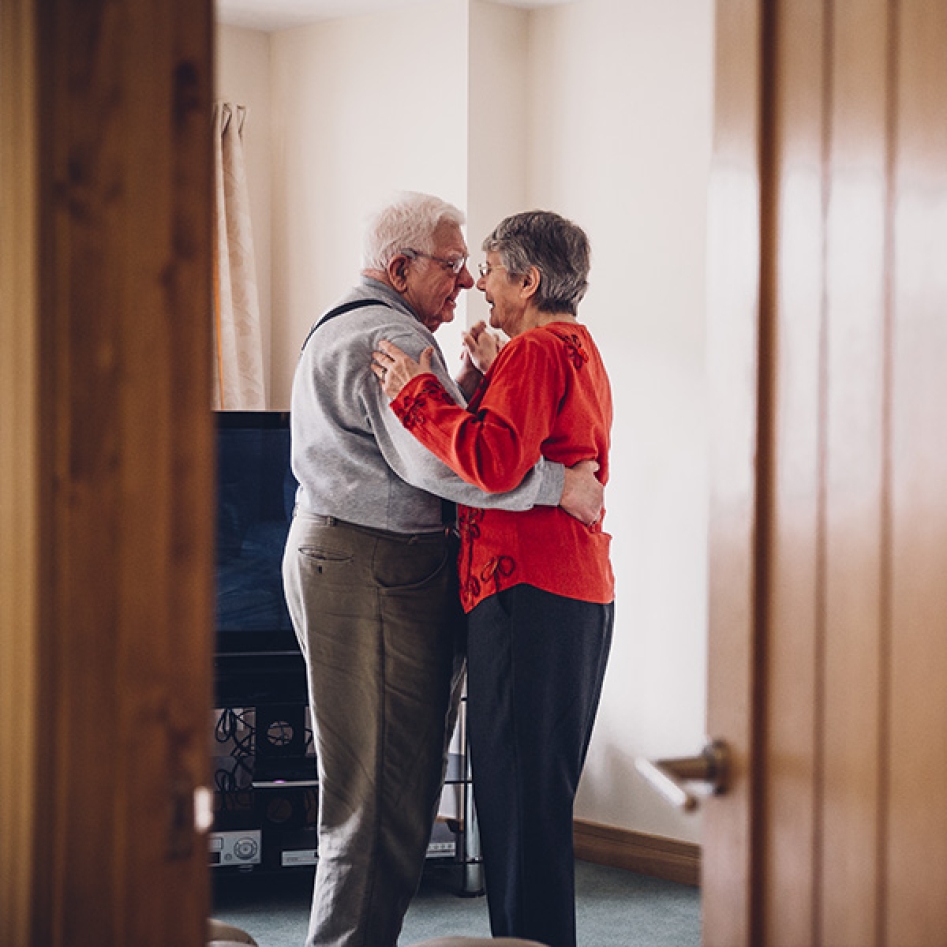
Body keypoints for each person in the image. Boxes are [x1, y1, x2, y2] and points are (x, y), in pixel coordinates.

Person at [281, 192, 604, 947]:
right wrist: (562, 486)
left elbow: (468, 442)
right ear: (399, 268)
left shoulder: (361, 322)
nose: (467, 282)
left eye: (476, 266)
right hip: (374, 568)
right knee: (379, 799)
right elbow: (455, 465)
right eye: (454, 264)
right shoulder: (388, 338)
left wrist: (459, 387)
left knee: (397, 789)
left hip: (387, 565)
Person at [372, 209, 614, 947]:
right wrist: (488, 373)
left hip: (522, 593)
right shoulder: (575, 348)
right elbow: (530, 443)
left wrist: (415, 392)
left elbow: (492, 462)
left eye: (489, 271)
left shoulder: (535, 352)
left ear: (528, 280)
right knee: (537, 803)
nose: (479, 284)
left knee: (515, 806)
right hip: (573, 593)